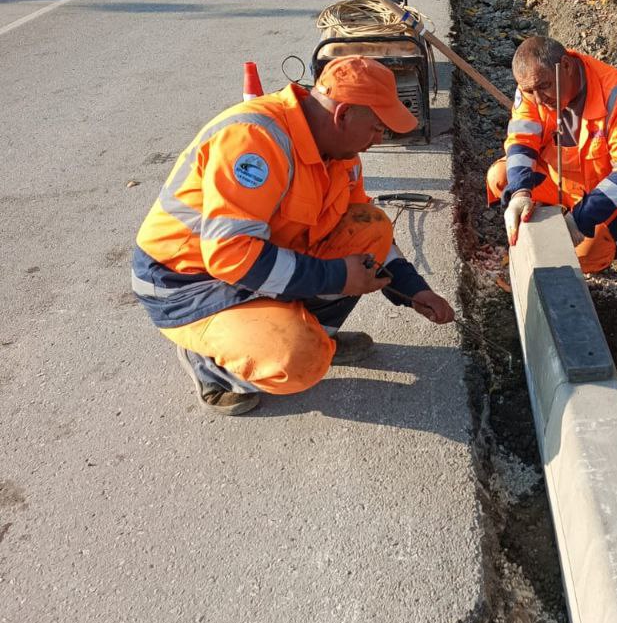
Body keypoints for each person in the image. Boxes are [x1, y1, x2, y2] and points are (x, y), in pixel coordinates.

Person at [132, 57, 454, 416]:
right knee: (299, 359)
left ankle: (315, 334)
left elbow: (367, 237)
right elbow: (231, 254)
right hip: (187, 282)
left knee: (371, 224)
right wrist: (338, 276)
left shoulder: (342, 155)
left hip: (256, 260)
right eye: (377, 127)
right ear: (343, 114)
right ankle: (213, 361)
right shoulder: (255, 141)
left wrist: (414, 290)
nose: (379, 139)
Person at [486, 36, 617, 273]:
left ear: (566, 66)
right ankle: (546, 221)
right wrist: (520, 193)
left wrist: (580, 220)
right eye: (529, 91)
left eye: (544, 87)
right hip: (564, 184)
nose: (538, 100)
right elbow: (521, 140)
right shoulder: (532, 84)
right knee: (501, 177)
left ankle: (575, 227)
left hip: (613, 200)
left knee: (586, 255)